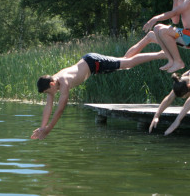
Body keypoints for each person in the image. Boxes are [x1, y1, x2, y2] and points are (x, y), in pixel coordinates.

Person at [33, 51, 166, 140]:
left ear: (51, 84)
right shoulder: (52, 83)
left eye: (48, 92)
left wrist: (48, 130)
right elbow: (48, 106)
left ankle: (160, 54)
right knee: (126, 61)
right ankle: (149, 43)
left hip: (94, 63)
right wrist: (42, 128)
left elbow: (60, 109)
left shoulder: (64, 82)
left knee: (128, 64)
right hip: (91, 64)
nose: (49, 95)